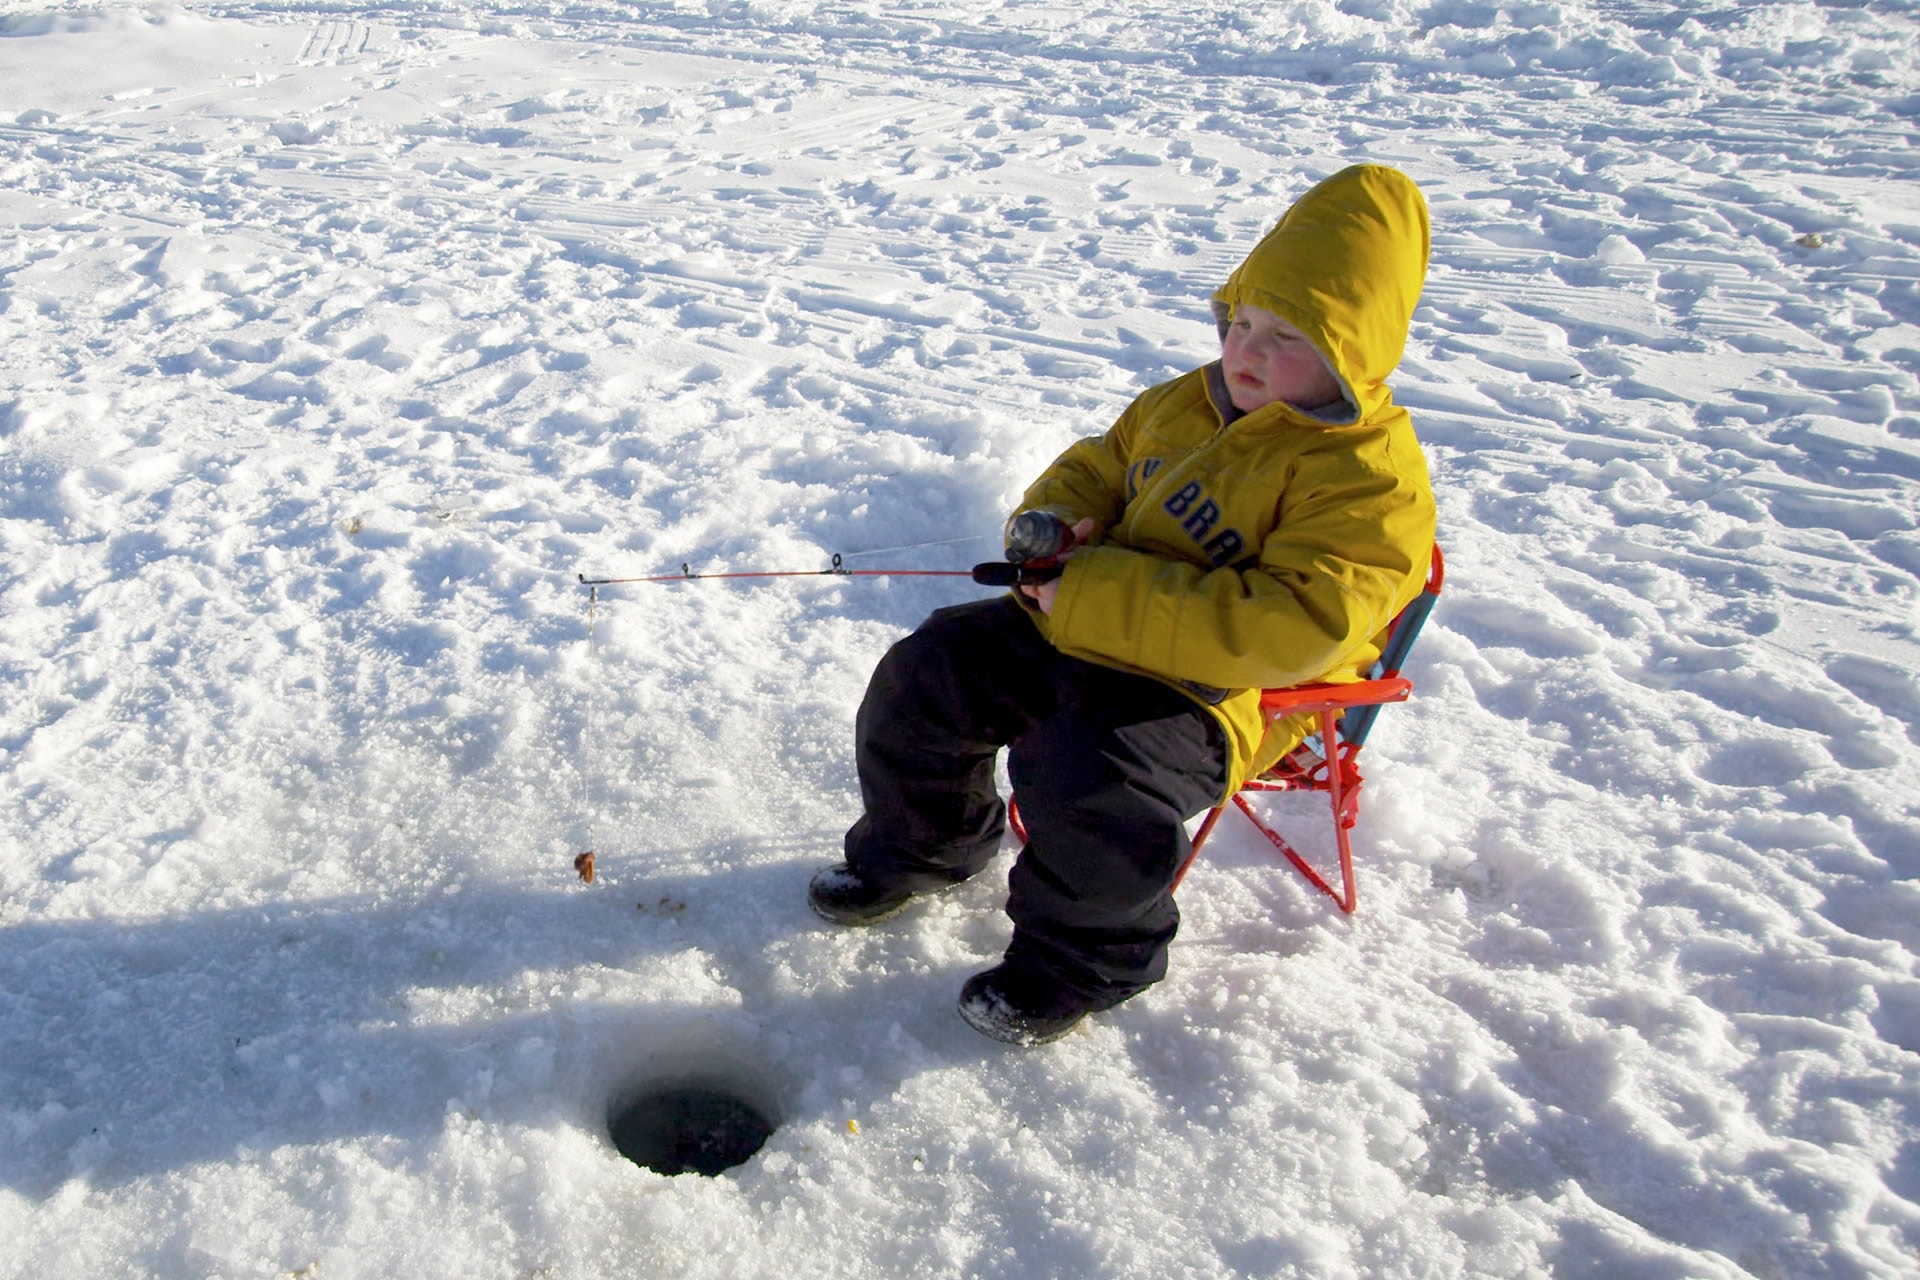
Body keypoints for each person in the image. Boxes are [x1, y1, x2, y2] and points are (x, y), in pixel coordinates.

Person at [809, 163, 1439, 1046]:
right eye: (1242, 323)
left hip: (1222, 691)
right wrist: (1055, 520)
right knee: (931, 670)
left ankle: (1085, 963)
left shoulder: (1370, 484)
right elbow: (1096, 465)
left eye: (1286, 337)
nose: (1248, 353)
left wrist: (1094, 592)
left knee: (1090, 770)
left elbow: (1294, 628)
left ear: (1352, 352)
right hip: (1083, 626)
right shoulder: (1190, 401)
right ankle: (926, 846)